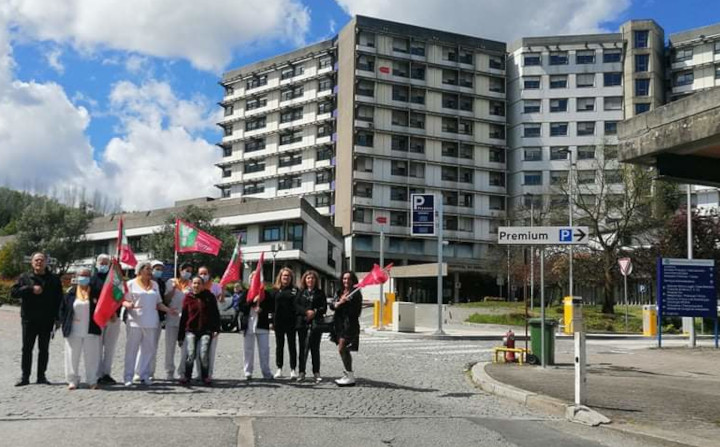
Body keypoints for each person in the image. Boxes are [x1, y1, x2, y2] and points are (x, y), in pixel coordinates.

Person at [11, 252, 63, 386]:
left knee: (44, 349)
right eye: (36, 260)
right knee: (27, 348)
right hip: (29, 319)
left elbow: (59, 300)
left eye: (41, 260)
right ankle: (25, 377)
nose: (39, 262)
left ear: (46, 262)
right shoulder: (24, 277)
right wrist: (30, 288)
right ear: (32, 262)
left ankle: (41, 376)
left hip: (47, 320)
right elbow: (14, 293)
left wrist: (58, 319)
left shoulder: (54, 279)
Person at [122, 261, 177, 387]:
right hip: (135, 321)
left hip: (151, 321)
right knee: (131, 350)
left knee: (148, 350)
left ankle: (144, 375)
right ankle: (128, 377)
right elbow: (123, 300)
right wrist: (128, 305)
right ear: (140, 270)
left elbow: (158, 303)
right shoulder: (130, 284)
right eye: (147, 269)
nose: (150, 271)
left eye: (150, 269)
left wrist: (169, 310)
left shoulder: (155, 285)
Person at [59, 268, 101, 390]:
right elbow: (63, 309)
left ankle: (92, 380)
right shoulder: (70, 292)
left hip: (91, 328)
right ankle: (72, 380)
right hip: (73, 329)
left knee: (92, 356)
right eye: (82, 275)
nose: (84, 278)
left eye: (87, 275)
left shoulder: (95, 292)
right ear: (77, 277)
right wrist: (64, 322)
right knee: (72, 355)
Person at [177, 276, 220, 386]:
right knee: (190, 354)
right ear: (191, 284)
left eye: (199, 283)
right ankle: (187, 376)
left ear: (203, 285)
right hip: (191, 330)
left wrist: (216, 328)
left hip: (206, 330)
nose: (196, 285)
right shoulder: (188, 298)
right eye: (194, 283)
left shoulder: (209, 297)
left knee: (203, 354)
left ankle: (205, 376)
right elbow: (184, 317)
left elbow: (215, 313)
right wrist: (180, 336)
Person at [331, 271, 362, 387]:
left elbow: (356, 312)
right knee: (344, 349)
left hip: (350, 325)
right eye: (344, 279)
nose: (346, 281)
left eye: (349, 279)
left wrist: (348, 302)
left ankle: (350, 376)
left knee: (342, 348)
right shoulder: (339, 292)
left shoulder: (356, 294)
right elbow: (332, 305)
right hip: (339, 324)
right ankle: (348, 374)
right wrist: (339, 302)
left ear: (353, 280)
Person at [239, 272, 273, 380]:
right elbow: (241, 307)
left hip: (262, 325)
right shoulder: (246, 293)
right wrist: (251, 302)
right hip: (248, 325)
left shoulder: (266, 294)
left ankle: (266, 372)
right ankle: (248, 371)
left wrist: (262, 310)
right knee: (248, 349)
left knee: (264, 350)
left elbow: (271, 307)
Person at [295, 270, 327, 383]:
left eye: (312, 278)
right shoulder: (301, 292)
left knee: (315, 348)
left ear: (315, 280)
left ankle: (316, 372)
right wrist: (306, 312)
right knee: (303, 349)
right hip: (302, 324)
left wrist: (314, 312)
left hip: (316, 324)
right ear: (305, 279)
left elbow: (324, 307)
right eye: (308, 278)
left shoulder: (320, 293)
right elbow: (296, 306)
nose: (310, 280)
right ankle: (301, 372)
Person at [92, 254, 119, 385]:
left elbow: (118, 296)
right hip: (98, 318)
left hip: (113, 318)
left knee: (110, 347)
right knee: (96, 347)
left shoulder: (114, 279)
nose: (103, 265)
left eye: (106, 263)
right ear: (96, 264)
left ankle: (106, 373)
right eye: (101, 263)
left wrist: (114, 312)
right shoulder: (92, 280)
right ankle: (96, 374)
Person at [165, 262, 193, 380]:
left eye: (190, 271)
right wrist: (173, 290)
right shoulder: (171, 282)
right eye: (186, 270)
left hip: (186, 320)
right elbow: (165, 299)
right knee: (170, 347)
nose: (188, 273)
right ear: (180, 270)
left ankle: (182, 371)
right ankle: (169, 371)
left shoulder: (192, 284)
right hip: (172, 318)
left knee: (186, 348)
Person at [272, 267, 299, 379]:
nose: (286, 278)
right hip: (278, 322)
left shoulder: (295, 290)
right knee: (279, 346)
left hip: (291, 322)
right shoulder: (275, 290)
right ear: (280, 277)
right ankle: (279, 368)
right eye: (284, 276)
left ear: (291, 278)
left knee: (292, 346)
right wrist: (271, 321)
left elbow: (298, 306)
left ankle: (293, 369)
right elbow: (271, 307)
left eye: (288, 276)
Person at [142, 259, 167, 380]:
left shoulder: (161, 284)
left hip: (156, 318)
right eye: (156, 269)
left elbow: (161, 301)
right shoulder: (142, 282)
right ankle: (140, 370)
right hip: (141, 318)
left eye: (161, 269)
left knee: (153, 345)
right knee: (141, 345)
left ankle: (150, 371)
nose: (159, 271)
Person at [198, 265, 223, 379]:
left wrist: (222, 294)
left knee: (211, 351)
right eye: (201, 273)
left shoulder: (216, 286)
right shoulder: (195, 286)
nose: (203, 275)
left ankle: (209, 373)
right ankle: (200, 373)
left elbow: (221, 301)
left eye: (205, 273)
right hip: (198, 323)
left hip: (211, 321)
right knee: (199, 350)